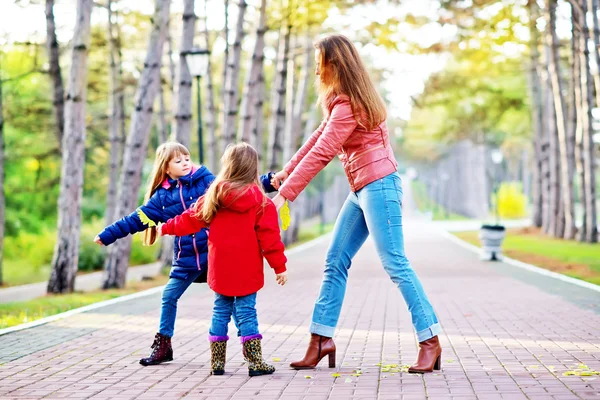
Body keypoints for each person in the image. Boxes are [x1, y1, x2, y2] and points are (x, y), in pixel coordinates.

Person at [269, 34, 442, 373]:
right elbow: (317, 138)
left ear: (336, 64)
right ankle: (321, 340)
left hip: (379, 186)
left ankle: (430, 340)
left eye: (321, 62)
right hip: (361, 188)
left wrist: (285, 194)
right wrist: (285, 172)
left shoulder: (350, 105)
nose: (317, 70)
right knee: (334, 260)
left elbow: (323, 152)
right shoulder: (340, 101)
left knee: (395, 262)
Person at [94, 141, 277, 366]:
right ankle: (163, 346)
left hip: (214, 257)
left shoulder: (208, 182)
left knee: (233, 303)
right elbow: (136, 219)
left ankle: (250, 353)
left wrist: (269, 181)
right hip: (186, 259)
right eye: (178, 160)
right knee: (169, 296)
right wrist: (107, 235)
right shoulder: (162, 198)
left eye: (187, 158)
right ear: (166, 168)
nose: (185, 163)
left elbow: (239, 187)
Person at [159, 142, 288, 377]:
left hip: (220, 266)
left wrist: (165, 227)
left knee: (220, 310)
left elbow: (190, 219)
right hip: (247, 267)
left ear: (227, 165)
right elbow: (270, 239)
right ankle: (255, 362)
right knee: (247, 311)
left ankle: (217, 363)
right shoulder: (261, 202)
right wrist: (279, 267)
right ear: (253, 167)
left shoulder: (214, 196)